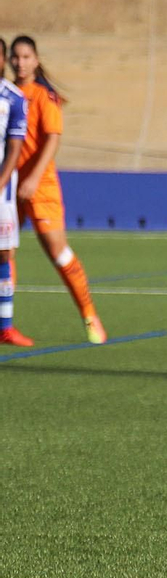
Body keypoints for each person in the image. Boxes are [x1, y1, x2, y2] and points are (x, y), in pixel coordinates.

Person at [10, 36, 104, 344]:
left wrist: (33, 178)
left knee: (57, 251)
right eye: (16, 57)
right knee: (3, 250)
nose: (20, 62)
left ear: (36, 60)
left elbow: (52, 139)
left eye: (26, 57)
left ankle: (90, 315)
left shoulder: (43, 96)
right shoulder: (7, 94)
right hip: (8, 183)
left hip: (40, 185)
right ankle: (4, 323)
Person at [0, 38, 29, 347]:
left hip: (1, 195)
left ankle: (5, 326)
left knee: (3, 254)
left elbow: (15, 149)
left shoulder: (14, 98)